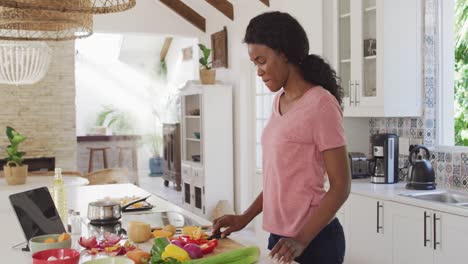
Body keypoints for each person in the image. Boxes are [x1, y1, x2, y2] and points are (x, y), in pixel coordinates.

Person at [212, 11, 351, 264]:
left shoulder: (321, 105)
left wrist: (302, 240)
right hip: (279, 239)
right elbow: (279, 180)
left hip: (315, 241)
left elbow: (341, 186)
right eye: (254, 63)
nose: (258, 71)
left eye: (262, 61)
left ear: (284, 53)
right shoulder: (279, 100)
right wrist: (245, 217)